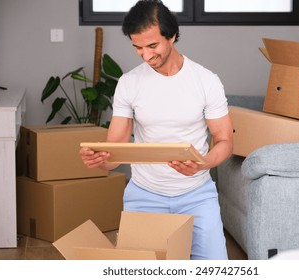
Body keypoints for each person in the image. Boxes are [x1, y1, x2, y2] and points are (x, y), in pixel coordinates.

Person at [80, 0, 233, 260]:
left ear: (172, 36)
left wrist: (203, 163)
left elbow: (224, 140)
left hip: (197, 194)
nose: (146, 55)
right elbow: (115, 148)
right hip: (144, 194)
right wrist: (102, 160)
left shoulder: (206, 81)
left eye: (152, 46)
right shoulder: (129, 83)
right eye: (137, 48)